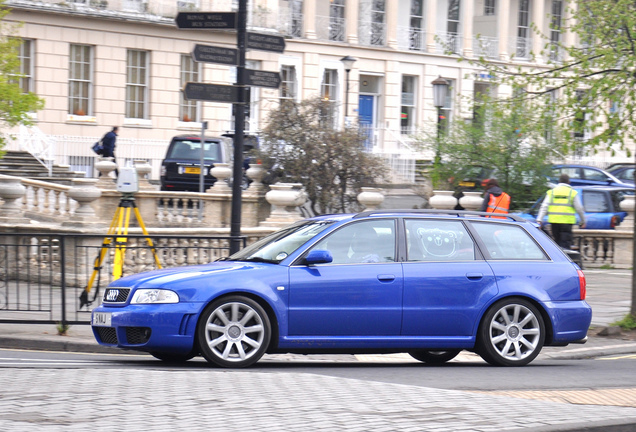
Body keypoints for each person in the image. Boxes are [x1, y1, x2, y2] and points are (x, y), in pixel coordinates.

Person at [536, 174, 586, 250]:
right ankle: (565, 260)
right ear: (569, 182)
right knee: (565, 243)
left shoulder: (552, 192)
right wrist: (583, 221)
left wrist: (539, 220)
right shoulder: (572, 193)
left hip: (554, 222)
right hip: (567, 222)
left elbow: (544, 206)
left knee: (556, 243)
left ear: (559, 181)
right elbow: (579, 208)